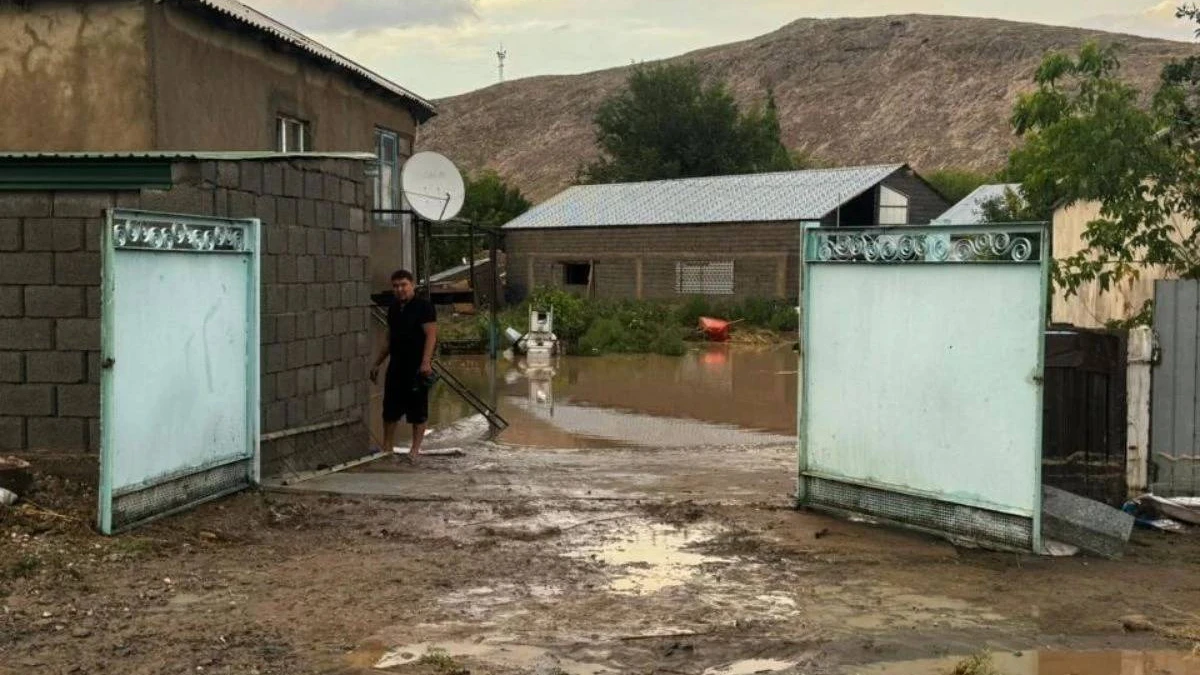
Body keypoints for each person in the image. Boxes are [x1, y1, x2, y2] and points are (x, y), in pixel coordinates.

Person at [370, 269, 437, 461]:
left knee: (418, 410)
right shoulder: (393, 309)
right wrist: (377, 363)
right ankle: (387, 447)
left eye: (403, 285)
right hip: (396, 365)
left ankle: (414, 450)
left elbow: (431, 335)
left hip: (416, 367)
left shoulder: (424, 307)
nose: (400, 289)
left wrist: (426, 362)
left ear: (412, 285)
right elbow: (389, 340)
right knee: (390, 409)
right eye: (396, 286)